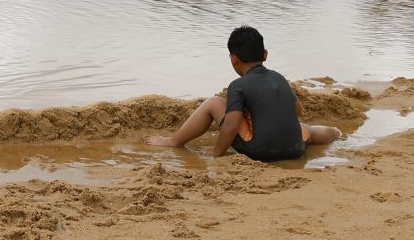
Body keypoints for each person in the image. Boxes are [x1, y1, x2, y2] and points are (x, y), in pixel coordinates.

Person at [144, 26, 342, 160]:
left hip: (259, 151)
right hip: (295, 148)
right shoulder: (279, 78)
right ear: (265, 55)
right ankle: (335, 132)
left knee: (213, 103)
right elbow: (298, 111)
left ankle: (173, 141)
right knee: (305, 128)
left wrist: (217, 151)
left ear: (233, 58)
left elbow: (230, 125)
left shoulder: (238, 85)